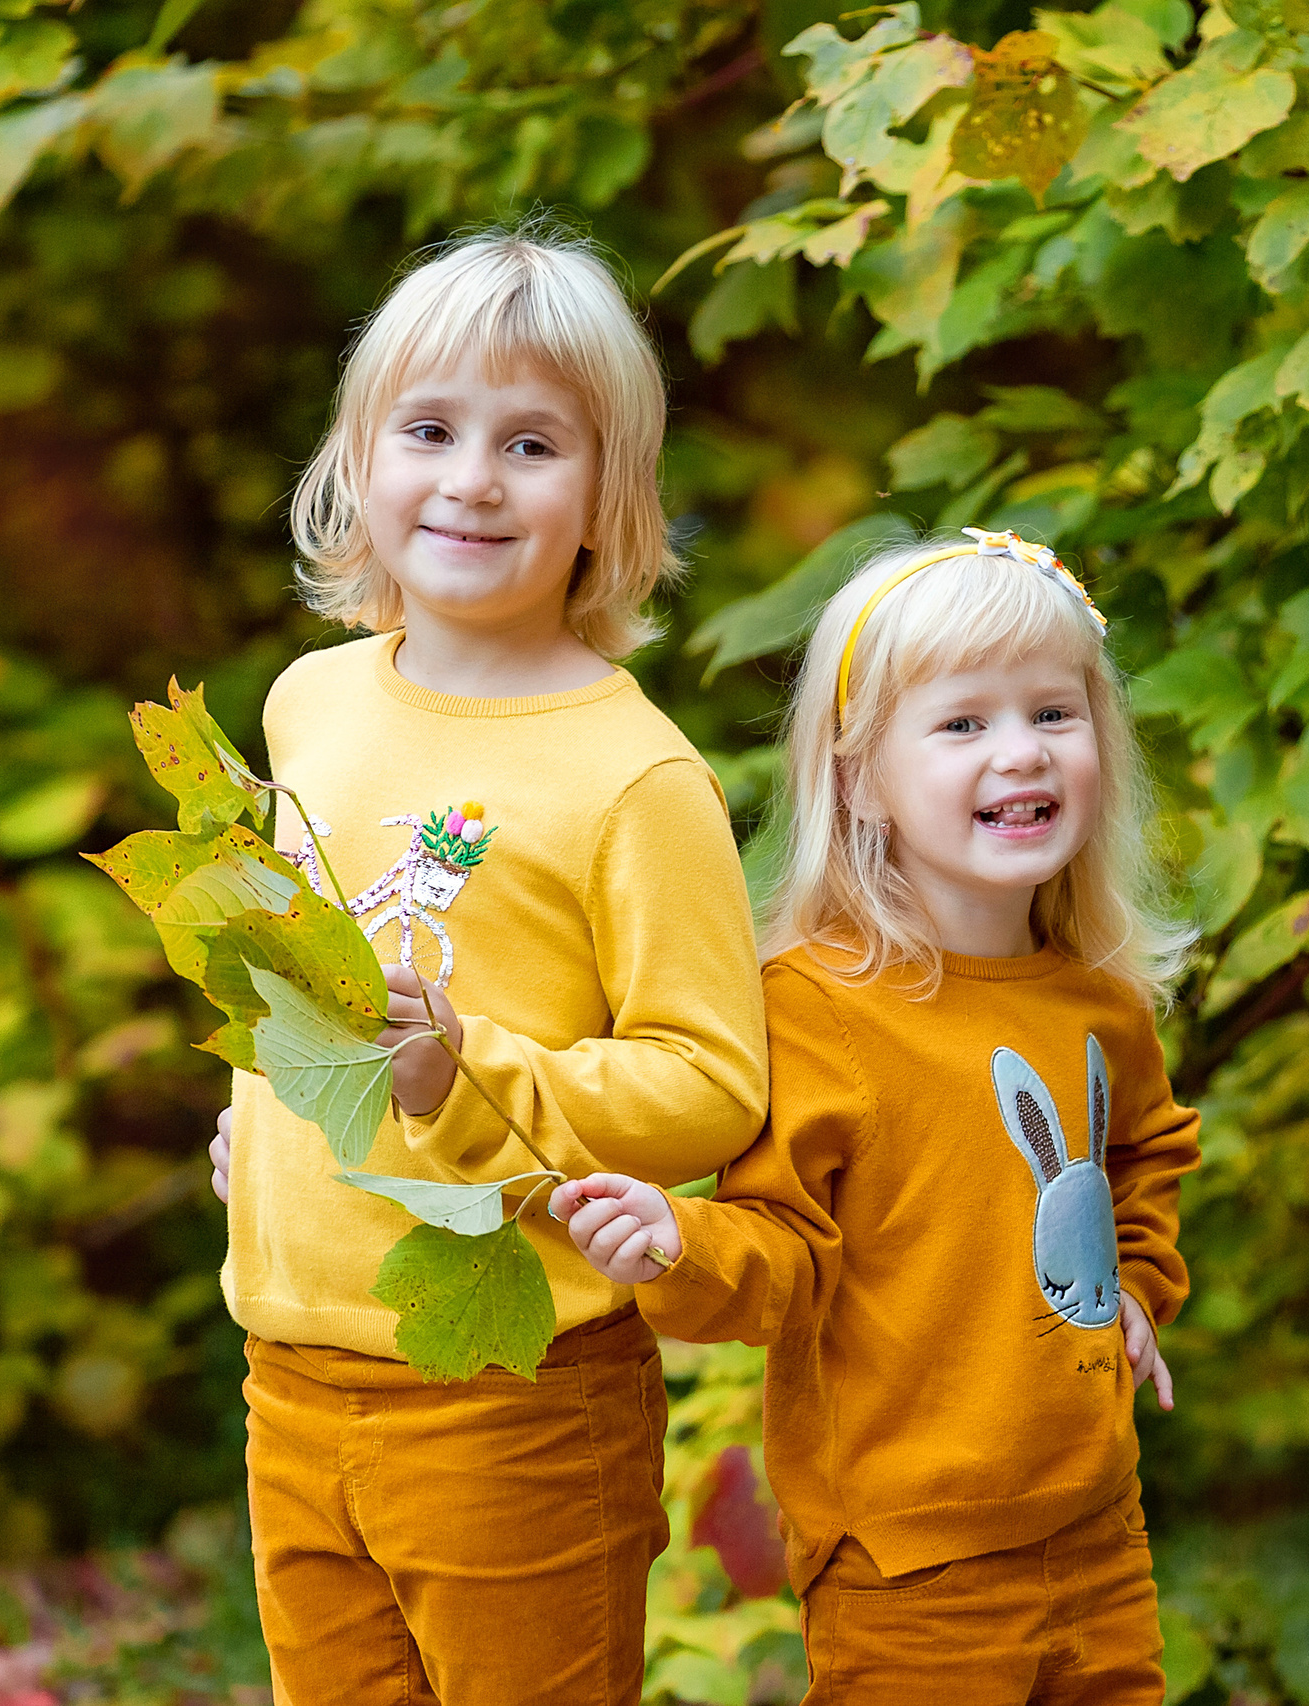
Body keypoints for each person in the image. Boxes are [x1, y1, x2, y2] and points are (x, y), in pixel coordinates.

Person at [210, 225, 768, 1706]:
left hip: (518, 1393)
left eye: (532, 444)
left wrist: (468, 1076)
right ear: (360, 459)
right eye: (431, 430)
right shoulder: (308, 703)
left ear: (606, 499)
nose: (471, 479)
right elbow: (299, 982)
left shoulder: (636, 777)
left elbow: (711, 1084)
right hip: (292, 1366)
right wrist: (261, 1122)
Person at [551, 528, 1203, 1704]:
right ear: (857, 775)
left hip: (1097, 1526)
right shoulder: (815, 1008)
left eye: (1054, 713)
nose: (1022, 753)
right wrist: (672, 1242)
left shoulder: (1095, 997)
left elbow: (1144, 1149)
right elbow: (781, 1251)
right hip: (909, 1560)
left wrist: (1140, 1288)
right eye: (962, 724)